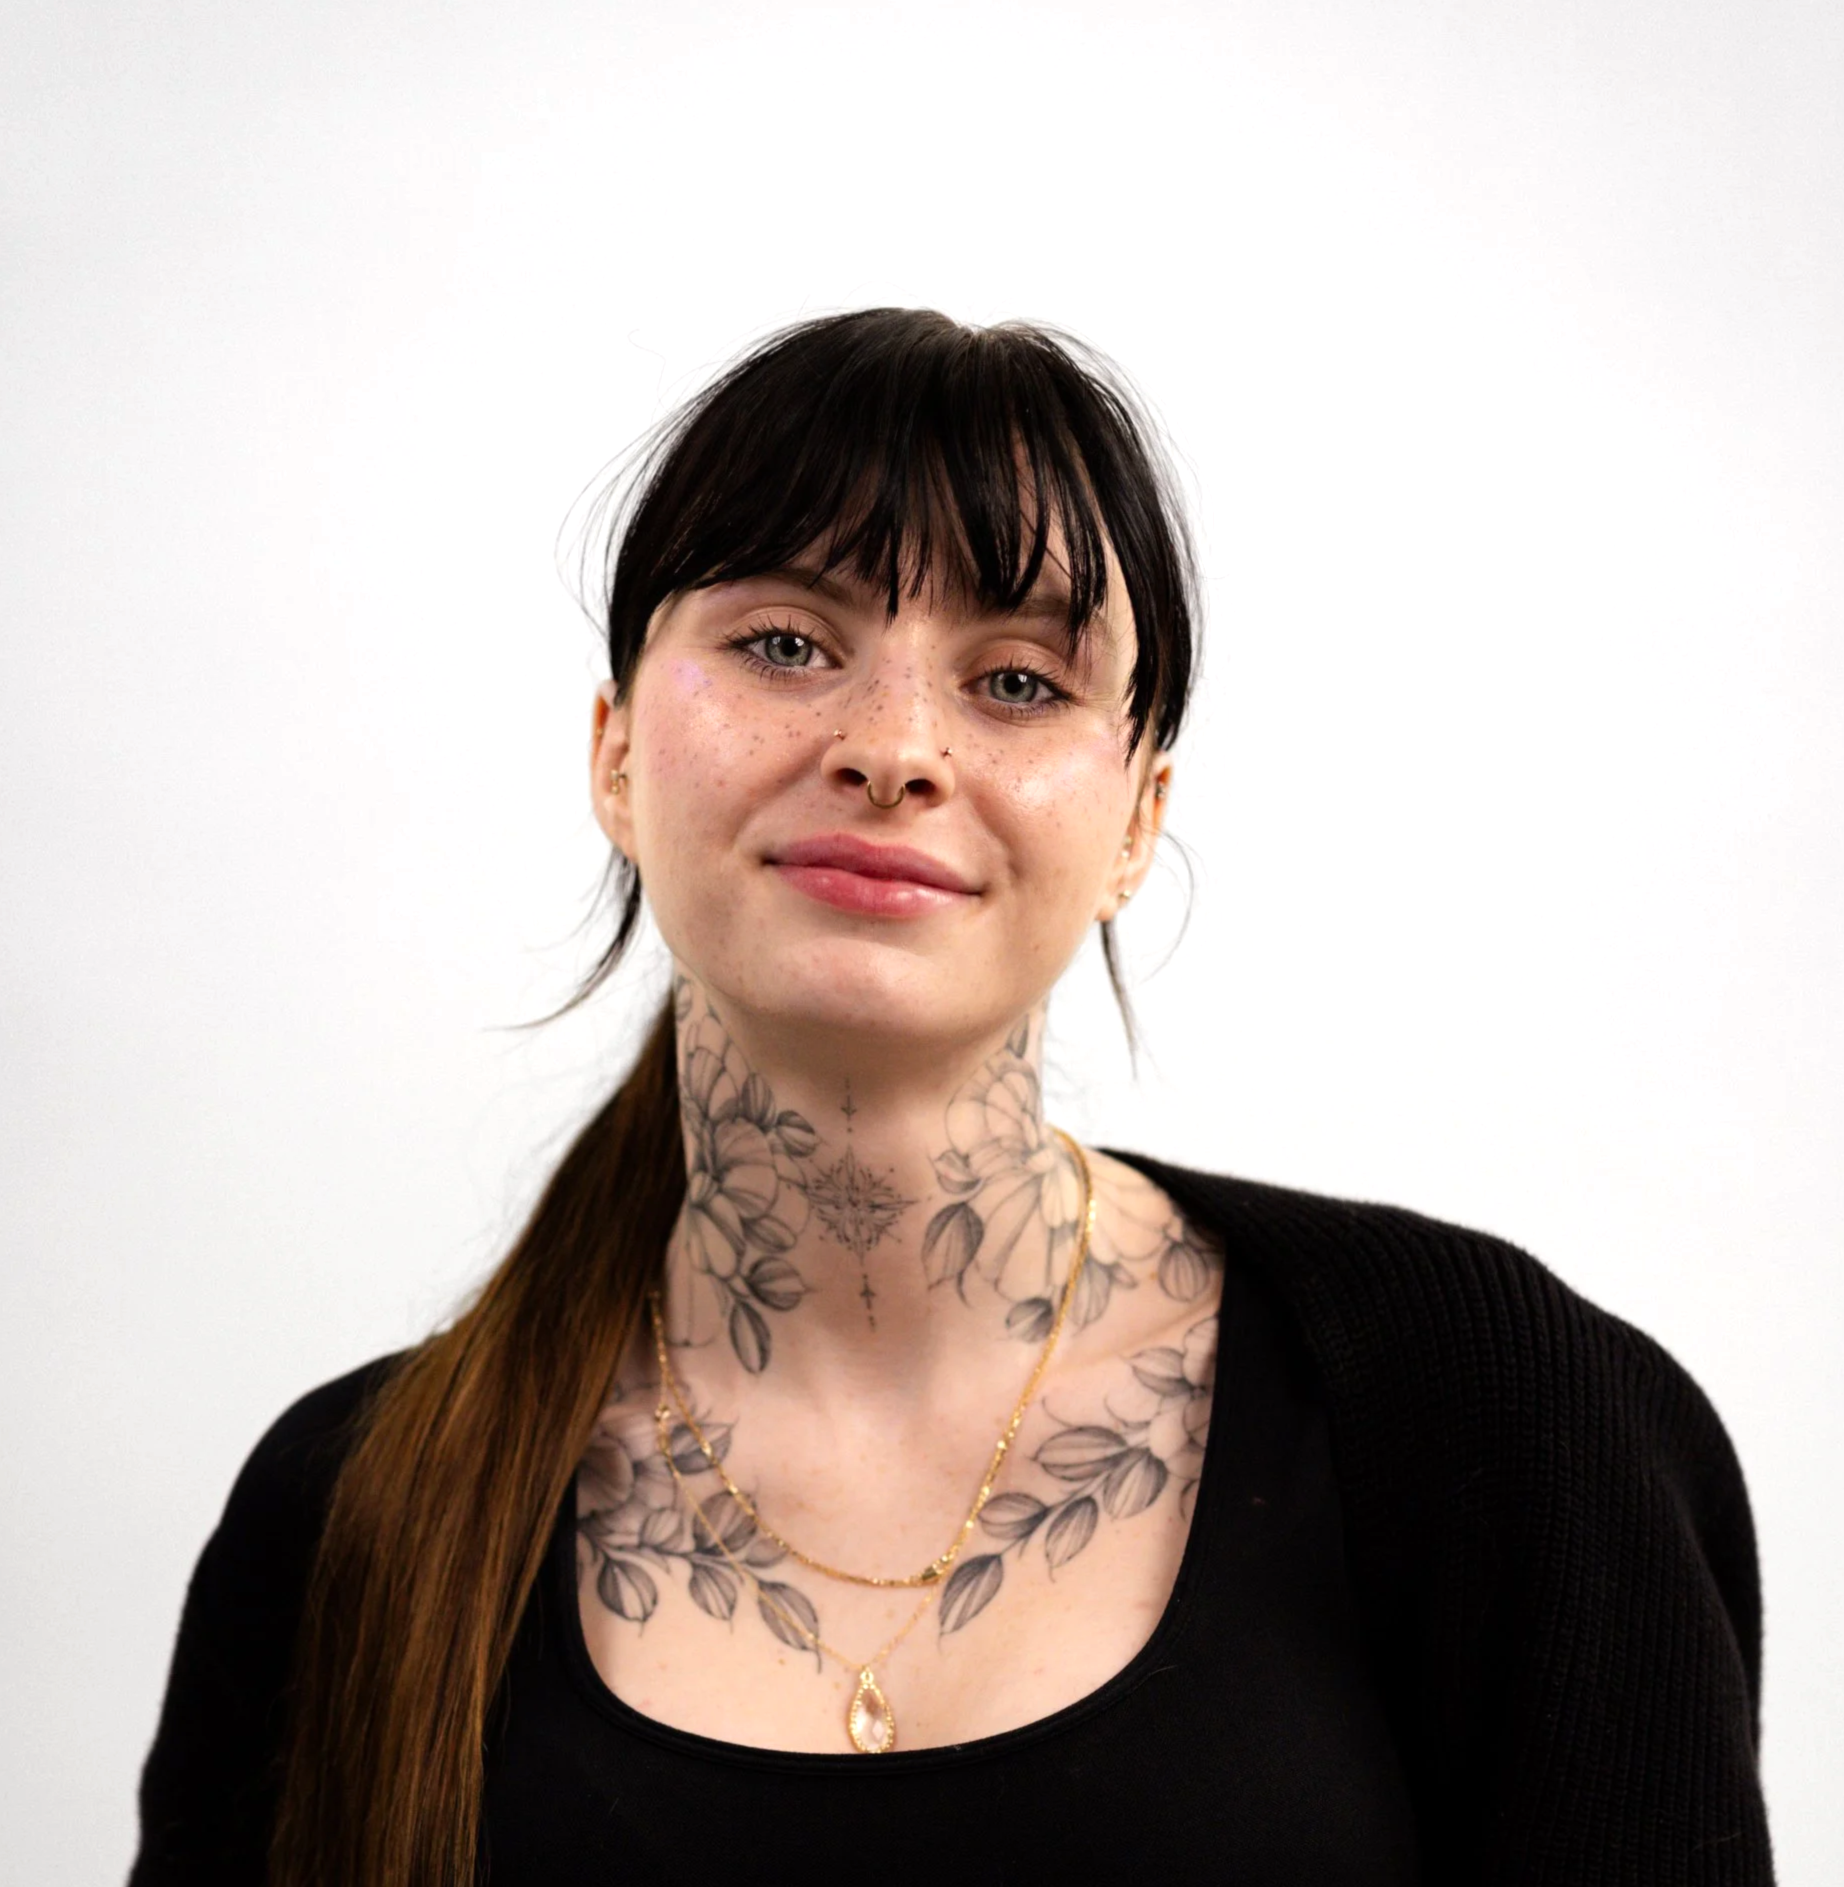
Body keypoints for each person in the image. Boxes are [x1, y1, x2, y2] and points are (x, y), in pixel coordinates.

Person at [130, 309, 1773, 1886]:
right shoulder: (350, 1509)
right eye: (784, 643)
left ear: (1137, 815)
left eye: (1015, 682)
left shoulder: (1499, 1418)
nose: (893, 746)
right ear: (616, 751)